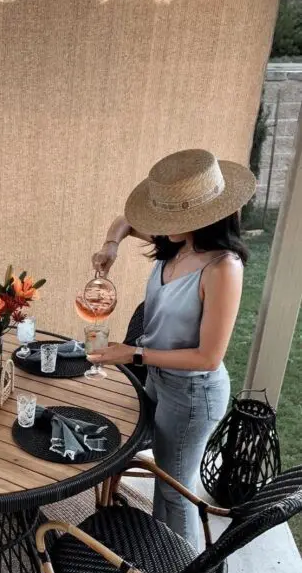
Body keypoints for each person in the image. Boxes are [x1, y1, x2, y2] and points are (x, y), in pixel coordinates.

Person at [88, 149, 255, 549]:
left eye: (174, 219)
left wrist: (134, 354)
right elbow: (126, 220)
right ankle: (155, 555)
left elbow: (208, 357)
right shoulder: (179, 242)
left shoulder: (223, 268)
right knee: (165, 479)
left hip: (194, 392)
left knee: (175, 491)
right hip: (161, 383)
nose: (164, 227)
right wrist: (111, 246)